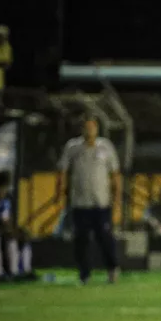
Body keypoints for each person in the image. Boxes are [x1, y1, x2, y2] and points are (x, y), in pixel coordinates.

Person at [56, 114, 122, 284]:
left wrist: (117, 200)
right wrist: (59, 192)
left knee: (105, 237)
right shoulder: (73, 147)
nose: (89, 130)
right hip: (80, 202)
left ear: (97, 129)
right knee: (81, 240)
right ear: (82, 129)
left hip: (101, 202)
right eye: (86, 127)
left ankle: (112, 269)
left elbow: (115, 175)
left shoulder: (105, 147)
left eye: (92, 127)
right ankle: (84, 274)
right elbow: (63, 170)